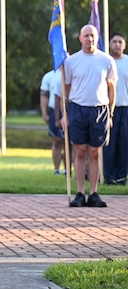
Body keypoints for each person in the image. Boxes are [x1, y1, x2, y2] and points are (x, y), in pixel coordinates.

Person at [58, 24, 116, 207]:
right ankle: (80, 193)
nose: (89, 39)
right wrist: (64, 115)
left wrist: (110, 114)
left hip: (99, 109)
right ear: (80, 38)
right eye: (86, 36)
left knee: (95, 152)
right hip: (77, 108)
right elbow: (65, 90)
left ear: (97, 37)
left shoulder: (106, 60)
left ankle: (94, 193)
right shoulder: (71, 61)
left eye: (92, 35)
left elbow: (111, 89)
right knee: (80, 151)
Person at [105, 32, 128, 185]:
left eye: (120, 42)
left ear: (124, 45)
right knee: (109, 143)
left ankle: (121, 177)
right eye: (114, 41)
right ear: (109, 43)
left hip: (125, 108)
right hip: (106, 109)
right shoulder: (104, 61)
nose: (117, 44)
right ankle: (109, 176)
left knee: (124, 143)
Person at [40, 68, 66, 175]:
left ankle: (67, 169)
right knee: (57, 141)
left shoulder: (71, 74)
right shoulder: (49, 76)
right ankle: (56, 169)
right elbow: (44, 95)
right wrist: (44, 113)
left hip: (68, 110)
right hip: (53, 110)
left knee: (68, 143)